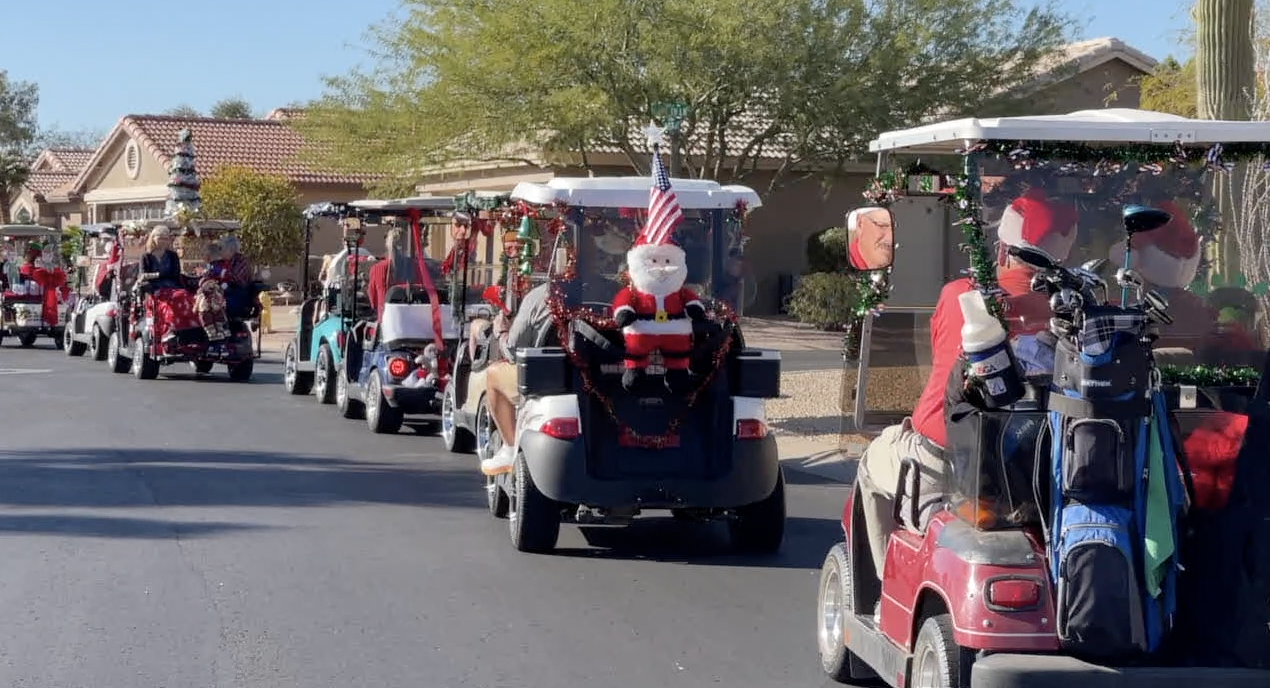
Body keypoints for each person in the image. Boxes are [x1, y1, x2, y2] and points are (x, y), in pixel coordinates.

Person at [856, 187, 1078, 591]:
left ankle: (885, 588)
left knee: (872, 462)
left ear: (1003, 247)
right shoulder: (1081, 308)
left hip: (951, 463)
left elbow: (941, 352)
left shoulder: (960, 295)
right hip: (1053, 460)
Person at [479, 228, 622, 476]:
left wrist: (501, 333)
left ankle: (510, 446)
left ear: (562, 257)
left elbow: (513, 350)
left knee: (493, 374)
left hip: (553, 381)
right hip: (606, 378)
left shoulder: (541, 296)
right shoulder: (615, 294)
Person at [141, 226, 199, 350]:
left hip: (172, 286)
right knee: (167, 305)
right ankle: (169, 331)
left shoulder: (172, 256)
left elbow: (175, 274)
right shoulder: (146, 256)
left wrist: (156, 275)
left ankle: (188, 331)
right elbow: (143, 275)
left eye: (165, 238)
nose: (163, 240)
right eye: (160, 237)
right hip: (155, 288)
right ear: (153, 238)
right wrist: (157, 277)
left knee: (185, 297)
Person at [366, 226, 444, 319]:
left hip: (386, 324)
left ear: (388, 245)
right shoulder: (418, 268)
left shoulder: (377, 269)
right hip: (413, 321)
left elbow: (373, 301)